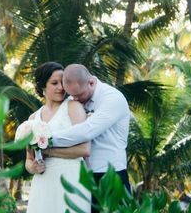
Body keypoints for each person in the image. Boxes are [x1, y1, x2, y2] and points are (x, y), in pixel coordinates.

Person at [46, 64, 131, 212]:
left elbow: (86, 131)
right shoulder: (76, 99)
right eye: (72, 95)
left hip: (111, 176)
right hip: (85, 178)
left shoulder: (112, 98)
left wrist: (46, 139)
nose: (76, 99)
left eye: (79, 95)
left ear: (91, 82)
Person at [24, 62, 91, 213]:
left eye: (63, 82)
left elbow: (84, 149)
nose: (61, 87)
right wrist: (32, 167)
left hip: (72, 178)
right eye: (54, 83)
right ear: (42, 86)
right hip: (43, 181)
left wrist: (48, 152)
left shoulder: (73, 107)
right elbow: (28, 159)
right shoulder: (33, 119)